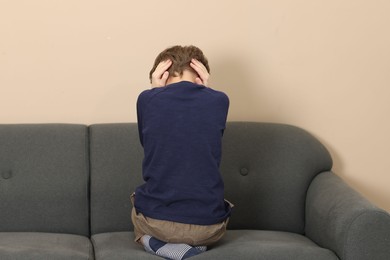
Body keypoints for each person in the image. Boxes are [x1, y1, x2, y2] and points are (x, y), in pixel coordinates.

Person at [132, 45, 233, 260]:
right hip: (209, 228)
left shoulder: (147, 100)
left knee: (137, 207)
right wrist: (208, 90)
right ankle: (197, 247)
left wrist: (154, 89)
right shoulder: (220, 100)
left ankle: (153, 242)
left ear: (161, 75)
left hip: (156, 224)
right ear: (200, 75)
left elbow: (147, 142)